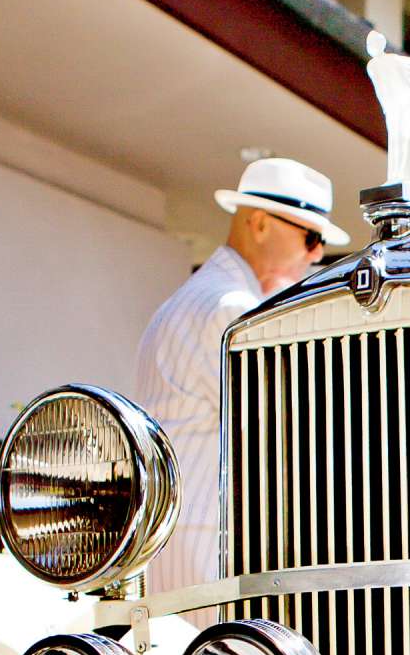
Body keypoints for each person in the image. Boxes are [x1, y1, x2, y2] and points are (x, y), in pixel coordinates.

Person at [136, 158, 351, 596]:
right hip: (212, 548)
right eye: (310, 237)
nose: (316, 254)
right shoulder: (233, 310)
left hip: (175, 540)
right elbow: (283, 437)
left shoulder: (198, 297)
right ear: (258, 223)